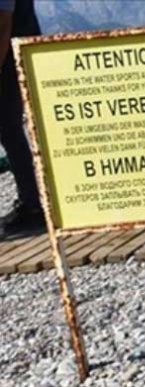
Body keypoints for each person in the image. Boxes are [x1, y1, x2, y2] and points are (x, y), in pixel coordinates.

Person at [0, 0, 42, 238]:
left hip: (10, 53)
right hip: (13, 48)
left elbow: (3, 22)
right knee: (9, 129)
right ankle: (31, 202)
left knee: (9, 128)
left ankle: (33, 207)